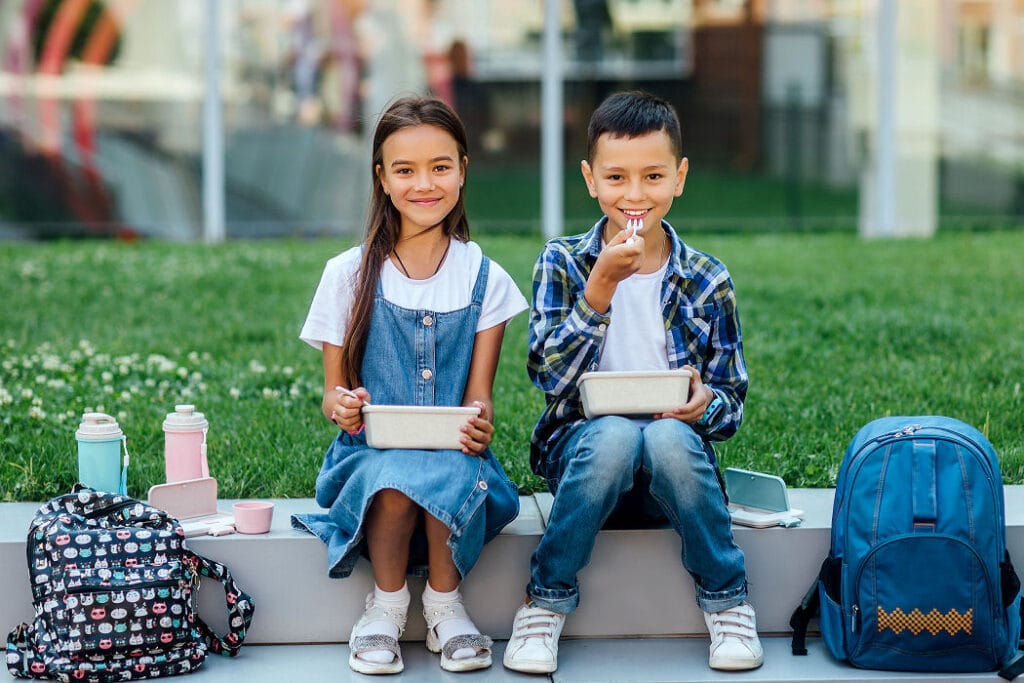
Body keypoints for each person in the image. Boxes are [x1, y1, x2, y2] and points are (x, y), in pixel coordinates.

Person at [502, 90, 762, 674]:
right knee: (617, 434)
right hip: (586, 463)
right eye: (617, 177)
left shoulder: (706, 278)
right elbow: (547, 377)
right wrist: (598, 290)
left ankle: (727, 601)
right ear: (590, 179)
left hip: (673, 474)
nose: (635, 194)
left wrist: (703, 406)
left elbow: (730, 400)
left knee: (666, 438)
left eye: (653, 176)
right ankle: (543, 603)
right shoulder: (564, 263)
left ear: (680, 177)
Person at [292, 95, 527, 675]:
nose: (425, 184)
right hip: (370, 455)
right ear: (382, 178)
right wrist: (344, 405)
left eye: (440, 167)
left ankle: (446, 606)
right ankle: (387, 608)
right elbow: (333, 393)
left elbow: (480, 397)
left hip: (453, 454)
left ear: (464, 170)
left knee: (444, 473)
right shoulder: (347, 274)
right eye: (405, 170)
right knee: (394, 479)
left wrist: (477, 423)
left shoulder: (485, 278)